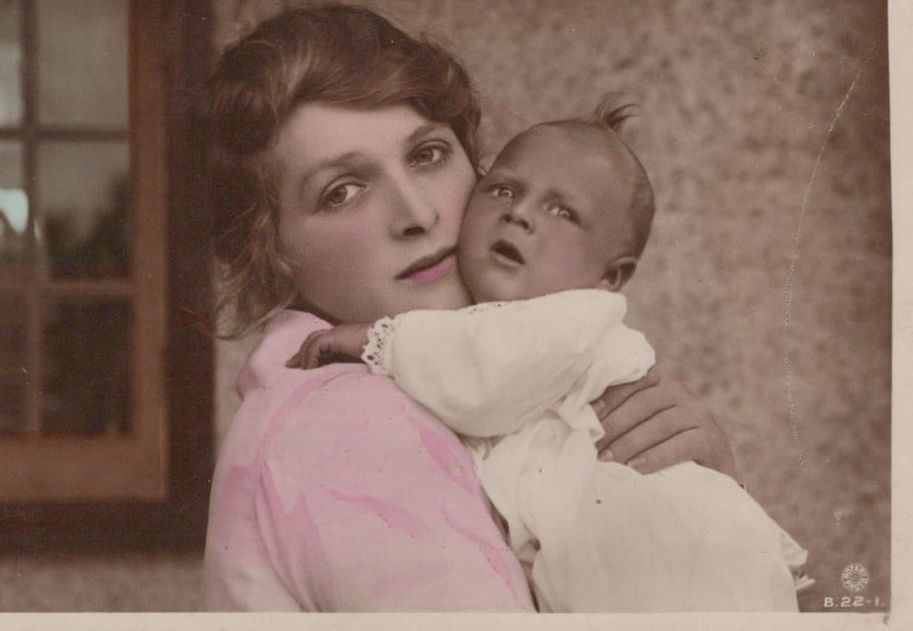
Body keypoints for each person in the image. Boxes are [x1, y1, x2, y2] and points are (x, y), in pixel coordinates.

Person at [201, 2, 740, 611]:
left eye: (427, 155)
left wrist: (691, 495)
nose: (419, 214)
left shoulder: (439, 387)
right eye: (342, 192)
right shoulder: (353, 420)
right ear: (269, 253)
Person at [291, 101, 809, 611]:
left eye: (562, 212)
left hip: (657, 548)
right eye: (503, 190)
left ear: (611, 276)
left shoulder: (569, 319)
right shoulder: (480, 333)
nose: (519, 214)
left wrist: (376, 341)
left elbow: (483, 381)